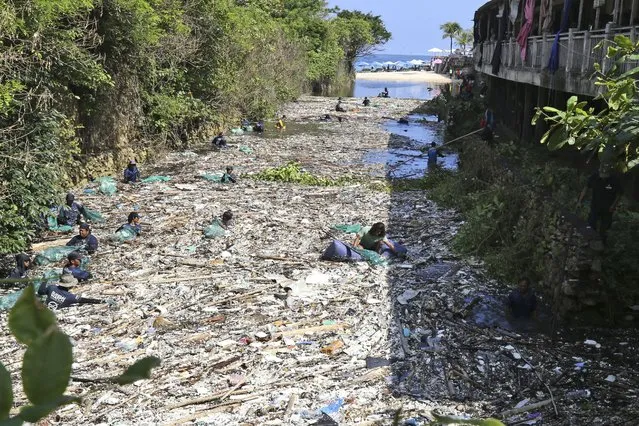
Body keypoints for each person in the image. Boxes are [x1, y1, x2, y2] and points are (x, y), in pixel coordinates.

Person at [577, 164, 623, 240]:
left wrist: (613, 205)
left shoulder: (614, 180)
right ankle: (590, 240)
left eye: (605, 176)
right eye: (602, 175)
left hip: (608, 209)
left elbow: (619, 194)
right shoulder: (594, 177)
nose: (603, 177)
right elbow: (585, 188)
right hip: (595, 206)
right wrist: (579, 201)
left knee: (604, 229)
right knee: (591, 224)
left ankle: (602, 242)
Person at [37, 273, 102, 310]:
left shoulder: (51, 288)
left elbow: (40, 291)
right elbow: (84, 300)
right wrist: (100, 301)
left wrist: (44, 280)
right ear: (70, 286)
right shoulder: (70, 297)